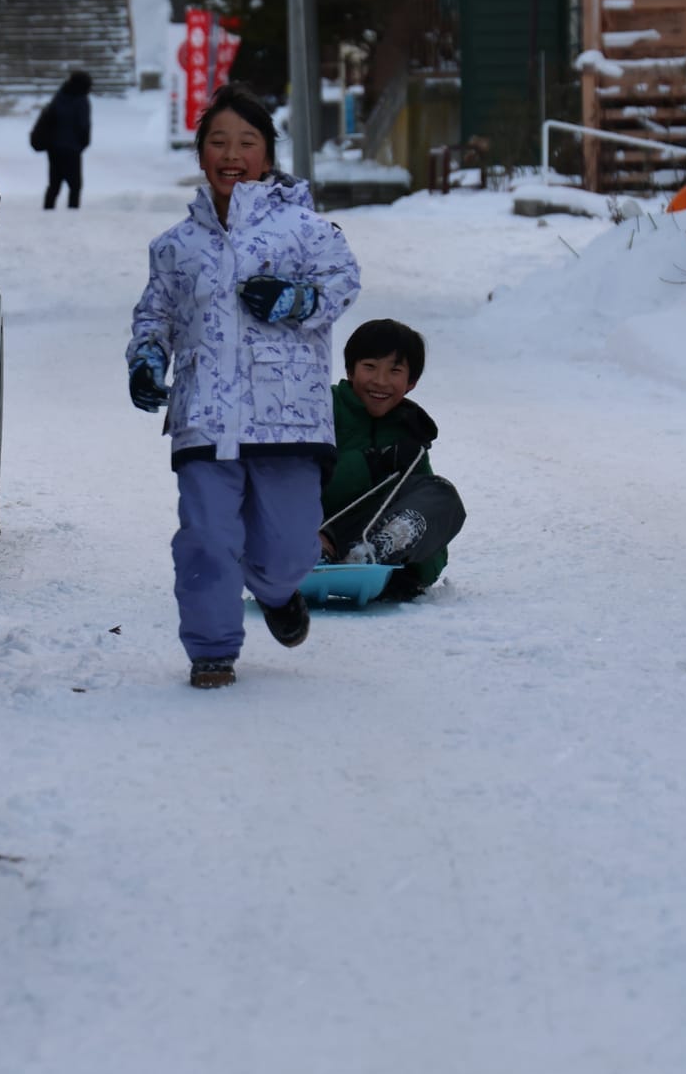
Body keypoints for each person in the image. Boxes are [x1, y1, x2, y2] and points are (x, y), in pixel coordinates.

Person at [126, 82, 360, 687]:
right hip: (204, 417)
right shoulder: (175, 248)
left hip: (290, 419)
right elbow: (156, 315)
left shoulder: (308, 230)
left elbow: (341, 283)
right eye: (218, 141)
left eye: (247, 142)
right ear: (202, 155)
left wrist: (296, 299)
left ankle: (279, 593)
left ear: (267, 155)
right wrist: (147, 359)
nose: (232, 153)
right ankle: (211, 649)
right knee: (205, 538)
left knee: (287, 551)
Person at [321, 318, 465, 600]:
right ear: (350, 370)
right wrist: (375, 463)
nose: (380, 381)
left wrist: (418, 573)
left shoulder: (408, 429)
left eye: (395, 371)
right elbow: (305, 482)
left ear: (411, 382)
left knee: (441, 493)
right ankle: (322, 555)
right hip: (316, 527)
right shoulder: (325, 409)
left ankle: (375, 553)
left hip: (369, 531)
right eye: (370, 367)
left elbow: (430, 516)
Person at [31, 68, 92, 208]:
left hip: (54, 148)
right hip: (72, 149)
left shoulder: (60, 95)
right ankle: (73, 212)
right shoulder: (82, 100)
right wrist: (83, 143)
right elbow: (83, 125)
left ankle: (47, 210)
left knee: (54, 184)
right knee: (75, 185)